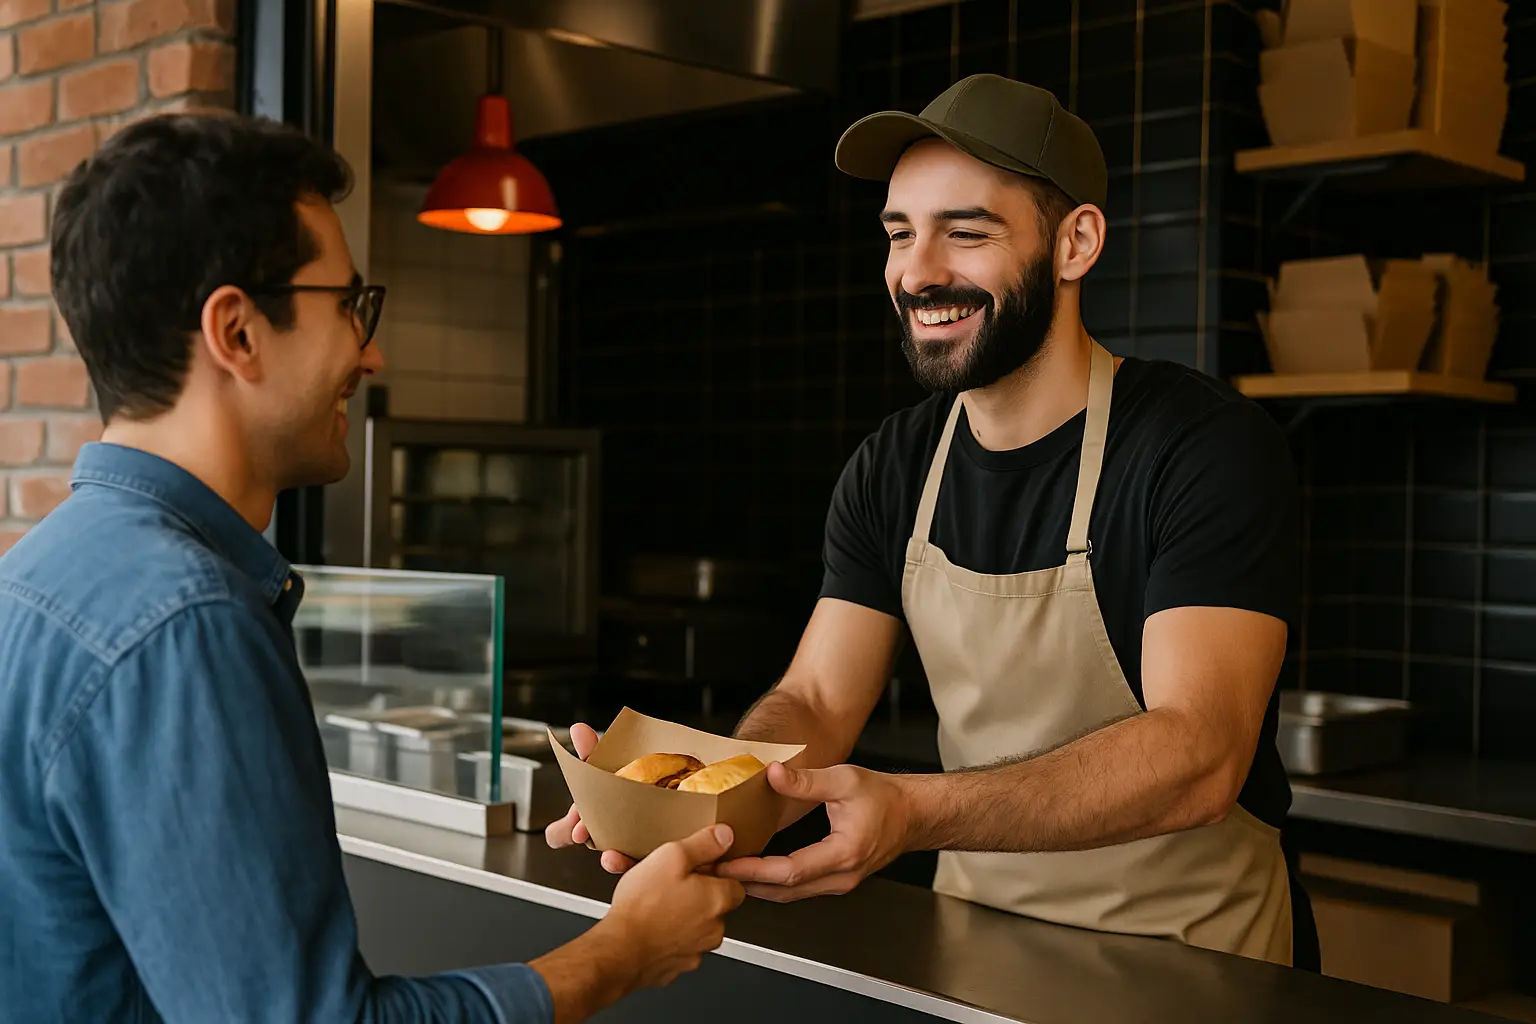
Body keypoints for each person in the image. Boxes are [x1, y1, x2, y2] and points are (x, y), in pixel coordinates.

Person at [549, 75, 1319, 970]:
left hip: (1198, 964)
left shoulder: (1200, 449)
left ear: (1075, 244)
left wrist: (914, 812)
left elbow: (1199, 753)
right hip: (977, 954)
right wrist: (690, 800)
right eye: (899, 233)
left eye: (967, 231)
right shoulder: (894, 466)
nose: (918, 272)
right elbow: (818, 702)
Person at [0, 111, 743, 1023]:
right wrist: (622, 951)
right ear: (237, 331)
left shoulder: (37, 572)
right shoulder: (185, 625)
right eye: (350, 305)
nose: (373, 350)